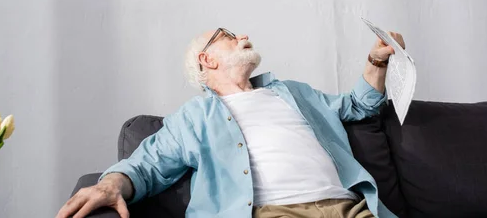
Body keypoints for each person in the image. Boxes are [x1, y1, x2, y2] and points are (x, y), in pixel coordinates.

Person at [57, 28, 405, 218]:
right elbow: (147, 164)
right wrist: (110, 184)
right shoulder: (196, 117)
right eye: (228, 35)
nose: (243, 36)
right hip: (276, 212)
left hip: (352, 207)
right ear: (206, 59)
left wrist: (377, 60)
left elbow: (360, 106)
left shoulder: (293, 92)